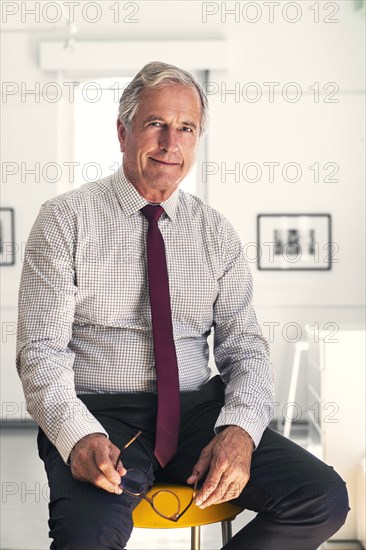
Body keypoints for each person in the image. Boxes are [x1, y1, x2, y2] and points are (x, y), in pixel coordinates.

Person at [16, 61, 349, 550]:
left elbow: (247, 351)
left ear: (197, 140)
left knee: (321, 497)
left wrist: (240, 430)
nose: (171, 142)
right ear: (122, 131)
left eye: (186, 128)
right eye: (156, 124)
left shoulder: (216, 233)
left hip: (197, 414)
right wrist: (77, 435)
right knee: (87, 538)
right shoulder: (64, 221)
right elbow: (39, 352)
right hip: (102, 416)